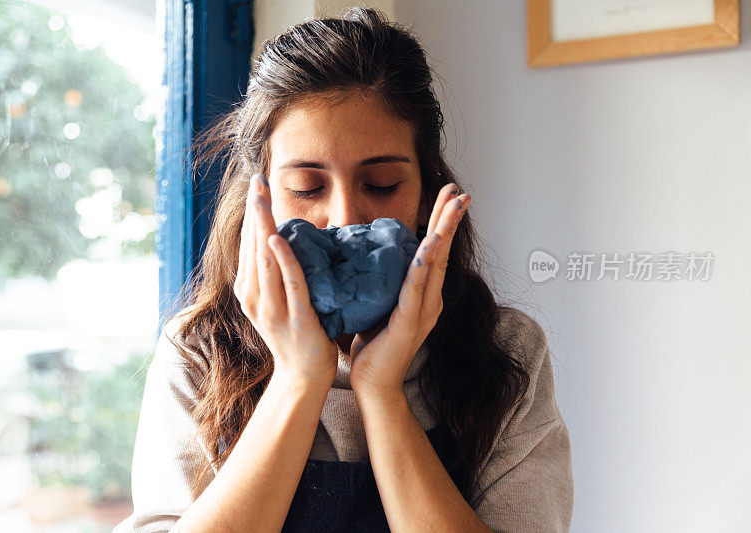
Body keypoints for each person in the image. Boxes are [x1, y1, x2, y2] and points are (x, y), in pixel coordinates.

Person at [114, 6, 573, 532]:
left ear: (426, 195)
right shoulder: (199, 353)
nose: (345, 219)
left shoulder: (507, 352)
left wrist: (379, 391)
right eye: (307, 189)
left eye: (381, 184)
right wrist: (297, 380)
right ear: (257, 202)